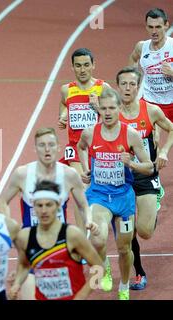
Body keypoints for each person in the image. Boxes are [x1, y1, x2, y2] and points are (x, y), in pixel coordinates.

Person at [0, 127, 98, 300]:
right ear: (35, 148)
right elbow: (3, 201)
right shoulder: (22, 174)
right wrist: (11, 228)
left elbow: (83, 205)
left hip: (61, 245)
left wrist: (89, 221)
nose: (47, 149)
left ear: (58, 147)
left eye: (51, 144)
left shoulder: (69, 174)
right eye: (42, 145)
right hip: (33, 246)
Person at [77, 88, 154, 300]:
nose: (108, 112)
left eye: (112, 108)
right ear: (98, 109)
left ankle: (124, 284)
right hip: (99, 195)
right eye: (104, 108)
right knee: (98, 240)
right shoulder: (90, 132)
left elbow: (149, 167)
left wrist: (132, 164)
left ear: (119, 108)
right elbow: (81, 147)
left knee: (124, 248)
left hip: (123, 199)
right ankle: (105, 267)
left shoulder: (130, 135)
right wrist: (85, 169)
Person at [116, 66, 173, 290]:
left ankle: (157, 193)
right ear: (118, 86)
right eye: (124, 84)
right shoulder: (111, 112)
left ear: (138, 86)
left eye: (132, 84)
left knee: (145, 232)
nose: (128, 88)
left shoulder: (150, 111)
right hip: (120, 178)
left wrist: (163, 151)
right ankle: (139, 273)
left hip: (145, 174)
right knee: (127, 231)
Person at [9, 180, 103, 300]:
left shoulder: (72, 235)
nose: (44, 211)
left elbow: (99, 268)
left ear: (58, 205)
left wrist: (81, 296)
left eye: (49, 205)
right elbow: (24, 265)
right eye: (39, 205)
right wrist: (17, 283)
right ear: (33, 206)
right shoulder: (25, 237)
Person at [58, 48, 113, 231]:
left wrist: (98, 108)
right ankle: (82, 238)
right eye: (78, 66)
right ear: (72, 67)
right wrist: (63, 116)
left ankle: (104, 225)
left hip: (100, 148)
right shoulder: (66, 89)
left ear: (93, 65)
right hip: (75, 148)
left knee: (103, 192)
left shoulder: (103, 88)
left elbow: (115, 118)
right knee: (80, 190)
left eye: (86, 65)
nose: (82, 70)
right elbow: (64, 106)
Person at [128, 8, 173, 209]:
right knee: (149, 143)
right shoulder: (142, 46)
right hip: (151, 102)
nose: (154, 31)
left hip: (171, 102)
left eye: (158, 27)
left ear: (166, 25)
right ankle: (155, 184)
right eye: (150, 27)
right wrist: (133, 80)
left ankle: (164, 152)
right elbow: (132, 60)